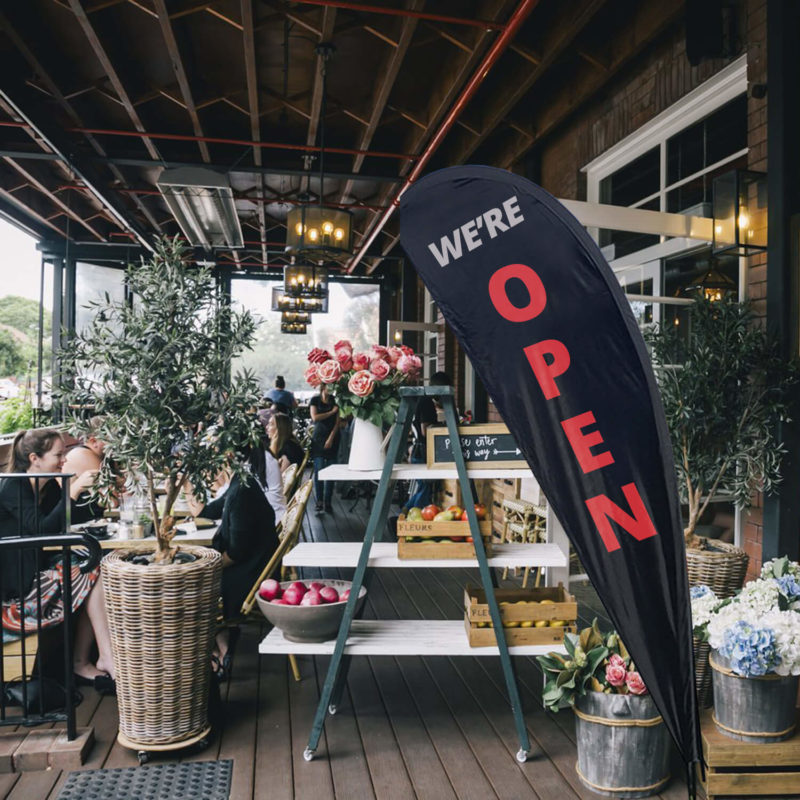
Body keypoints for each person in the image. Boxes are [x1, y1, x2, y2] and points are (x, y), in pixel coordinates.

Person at [0, 429, 116, 691]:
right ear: (34, 458)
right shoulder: (13, 486)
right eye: (58, 454)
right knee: (91, 569)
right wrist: (72, 489)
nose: (65, 459)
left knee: (97, 564)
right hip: (17, 581)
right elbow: (43, 530)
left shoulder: (47, 482)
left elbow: (70, 518)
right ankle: (93, 658)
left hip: (36, 564)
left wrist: (92, 493)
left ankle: (94, 657)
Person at [186, 444, 278, 680]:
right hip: (254, 562)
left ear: (228, 454)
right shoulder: (241, 481)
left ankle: (217, 648)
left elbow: (237, 553)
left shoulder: (241, 492)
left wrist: (205, 568)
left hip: (250, 573)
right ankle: (220, 640)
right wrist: (186, 487)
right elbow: (209, 511)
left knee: (190, 584)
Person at [404, 371, 451, 512]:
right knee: (425, 490)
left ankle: (402, 516)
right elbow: (426, 430)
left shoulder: (424, 401)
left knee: (423, 488)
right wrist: (443, 428)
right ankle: (407, 519)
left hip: (418, 451)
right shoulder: (426, 403)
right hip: (423, 452)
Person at [309, 384, 339, 514]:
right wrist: (331, 412)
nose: (330, 390)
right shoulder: (315, 400)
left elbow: (338, 422)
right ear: (323, 388)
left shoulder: (336, 400)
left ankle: (328, 501)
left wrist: (331, 438)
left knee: (331, 472)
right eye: (329, 387)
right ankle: (319, 501)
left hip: (333, 437)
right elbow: (315, 417)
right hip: (318, 437)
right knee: (319, 470)